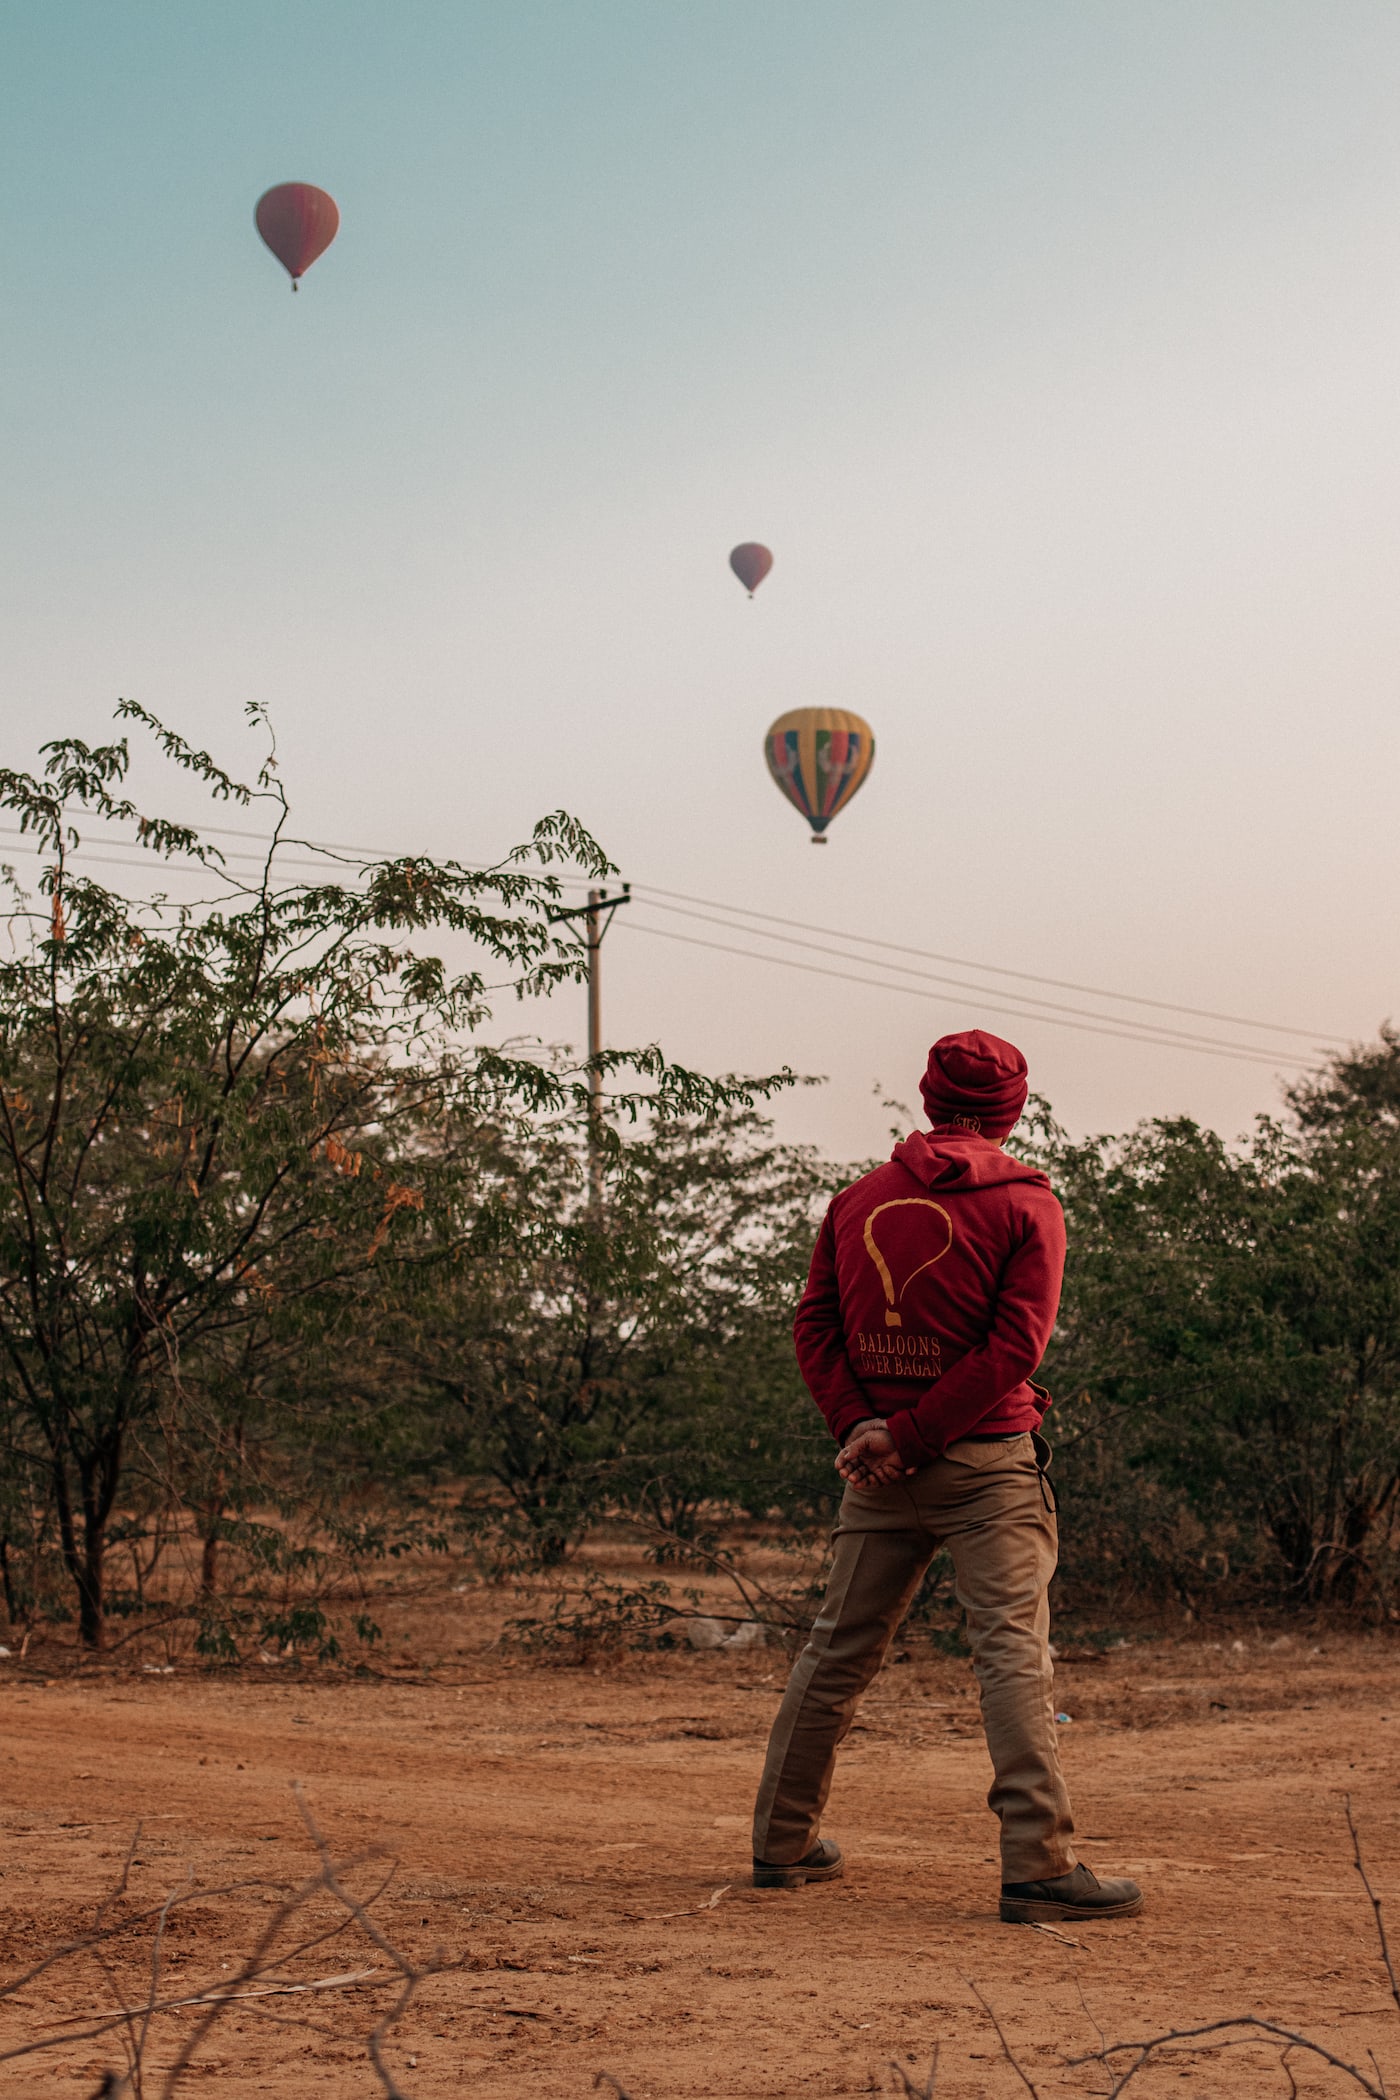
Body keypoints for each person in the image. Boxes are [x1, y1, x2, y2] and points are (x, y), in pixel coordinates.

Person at [751, 1029, 1143, 1923]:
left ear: (927, 1098)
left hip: (878, 1470)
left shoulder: (855, 1201)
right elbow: (1016, 1347)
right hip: (984, 1466)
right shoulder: (1027, 1205)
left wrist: (866, 1429)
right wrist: (919, 1434)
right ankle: (1037, 1866)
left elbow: (815, 1329)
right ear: (1013, 1110)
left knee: (835, 1650)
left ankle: (782, 1843)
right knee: (1010, 1653)